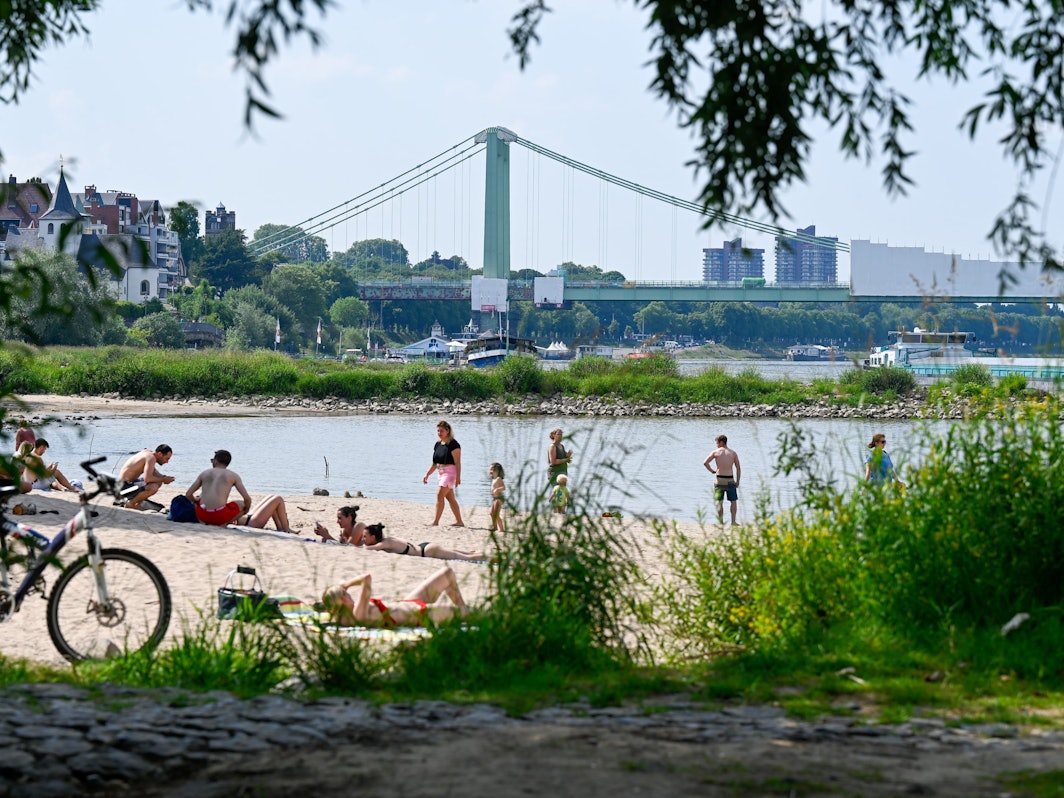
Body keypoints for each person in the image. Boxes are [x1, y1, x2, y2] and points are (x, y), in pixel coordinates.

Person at [322, 566, 470, 627]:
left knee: (447, 573)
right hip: (420, 614)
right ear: (343, 600)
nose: (349, 594)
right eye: (346, 593)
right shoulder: (358, 614)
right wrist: (346, 584)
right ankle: (466, 616)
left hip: (409, 603)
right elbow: (366, 578)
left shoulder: (343, 616)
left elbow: (327, 607)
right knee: (469, 612)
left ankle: (464, 613)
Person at [185, 449, 295, 531]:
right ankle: (286, 529)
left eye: (212, 460)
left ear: (216, 460)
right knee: (277, 498)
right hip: (248, 522)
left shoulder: (204, 473)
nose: (212, 462)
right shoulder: (232, 475)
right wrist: (246, 510)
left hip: (203, 515)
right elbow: (247, 499)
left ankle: (281, 528)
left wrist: (196, 501)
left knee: (271, 497)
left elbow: (188, 494)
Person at [361, 522, 485, 561]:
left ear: (373, 537)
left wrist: (356, 545)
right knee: (465, 553)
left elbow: (368, 548)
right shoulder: (387, 540)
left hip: (427, 551)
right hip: (424, 547)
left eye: (365, 536)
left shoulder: (385, 543)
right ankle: (481, 554)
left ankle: (489, 557)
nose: (363, 539)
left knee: (464, 557)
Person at [423, 420, 464, 527]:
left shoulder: (454, 444)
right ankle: (459, 522)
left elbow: (458, 462)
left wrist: (458, 477)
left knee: (439, 495)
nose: (439, 433)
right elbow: (435, 463)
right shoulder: (438, 444)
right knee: (450, 498)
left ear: (447, 430)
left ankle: (435, 522)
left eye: (441, 431)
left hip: (450, 473)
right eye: (438, 431)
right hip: (440, 472)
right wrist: (427, 474)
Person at [117, 444, 175, 510]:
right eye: (167, 458)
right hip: (123, 487)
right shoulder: (151, 458)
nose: (167, 462)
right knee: (153, 487)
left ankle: (138, 503)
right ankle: (131, 504)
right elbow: (147, 479)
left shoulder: (148, 453)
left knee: (158, 482)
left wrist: (165, 478)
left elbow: (154, 472)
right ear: (159, 454)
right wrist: (164, 479)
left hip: (124, 484)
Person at [704, 434, 741, 524]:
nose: (717, 445)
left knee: (719, 502)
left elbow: (705, 462)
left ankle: (721, 522)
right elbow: (738, 468)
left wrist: (712, 471)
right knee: (733, 501)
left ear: (721, 442)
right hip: (730, 480)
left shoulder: (715, 452)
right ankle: (733, 522)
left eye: (717, 443)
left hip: (719, 480)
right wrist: (737, 481)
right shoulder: (733, 453)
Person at [489, 462, 505, 533]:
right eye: (490, 469)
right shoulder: (494, 479)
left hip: (499, 499)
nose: (490, 471)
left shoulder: (499, 479)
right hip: (495, 499)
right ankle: (495, 527)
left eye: (492, 470)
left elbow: (503, 487)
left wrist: (497, 490)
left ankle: (501, 529)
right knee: (491, 513)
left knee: (496, 514)